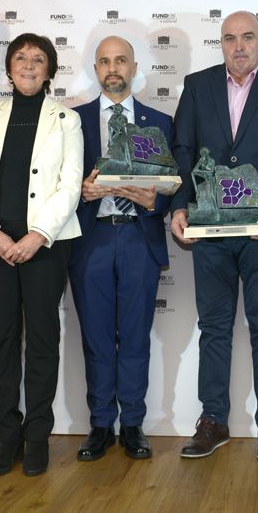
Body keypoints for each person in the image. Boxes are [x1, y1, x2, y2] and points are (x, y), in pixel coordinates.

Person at [170, 10, 258, 463]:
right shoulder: (197, 84)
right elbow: (183, 150)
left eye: (248, 37)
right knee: (214, 328)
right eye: (230, 39)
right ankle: (214, 420)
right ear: (221, 44)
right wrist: (179, 206)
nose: (239, 46)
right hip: (209, 230)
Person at [0, 33, 83, 477]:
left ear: (50, 70)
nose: (29, 65)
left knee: (44, 343)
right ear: (8, 68)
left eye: (39, 59)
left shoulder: (67, 119)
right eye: (21, 58)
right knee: (3, 342)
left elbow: (70, 185)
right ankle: (5, 438)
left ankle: (37, 438)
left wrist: (37, 235)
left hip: (45, 247)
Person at [69, 36, 173, 462]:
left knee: (134, 337)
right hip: (90, 238)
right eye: (104, 62)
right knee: (95, 337)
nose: (113, 69)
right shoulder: (70, 121)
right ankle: (98, 425)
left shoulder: (160, 121)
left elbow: (174, 183)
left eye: (121, 61)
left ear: (133, 67)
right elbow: (55, 186)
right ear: (95, 69)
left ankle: (132, 423)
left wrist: (157, 202)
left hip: (137, 236)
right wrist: (81, 192)